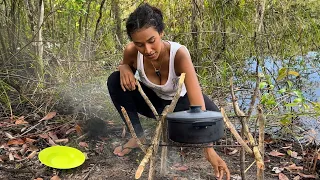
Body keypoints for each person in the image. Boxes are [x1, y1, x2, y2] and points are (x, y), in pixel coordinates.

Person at [107, 3, 230, 179]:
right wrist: (124, 67)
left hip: (182, 105)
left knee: (214, 121)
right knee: (114, 79)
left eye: (151, 41)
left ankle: (174, 126)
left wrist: (208, 149)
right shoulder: (132, 51)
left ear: (161, 33)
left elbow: (197, 105)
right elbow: (125, 67)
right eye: (139, 44)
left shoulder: (179, 54)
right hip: (155, 102)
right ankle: (137, 136)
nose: (147, 50)